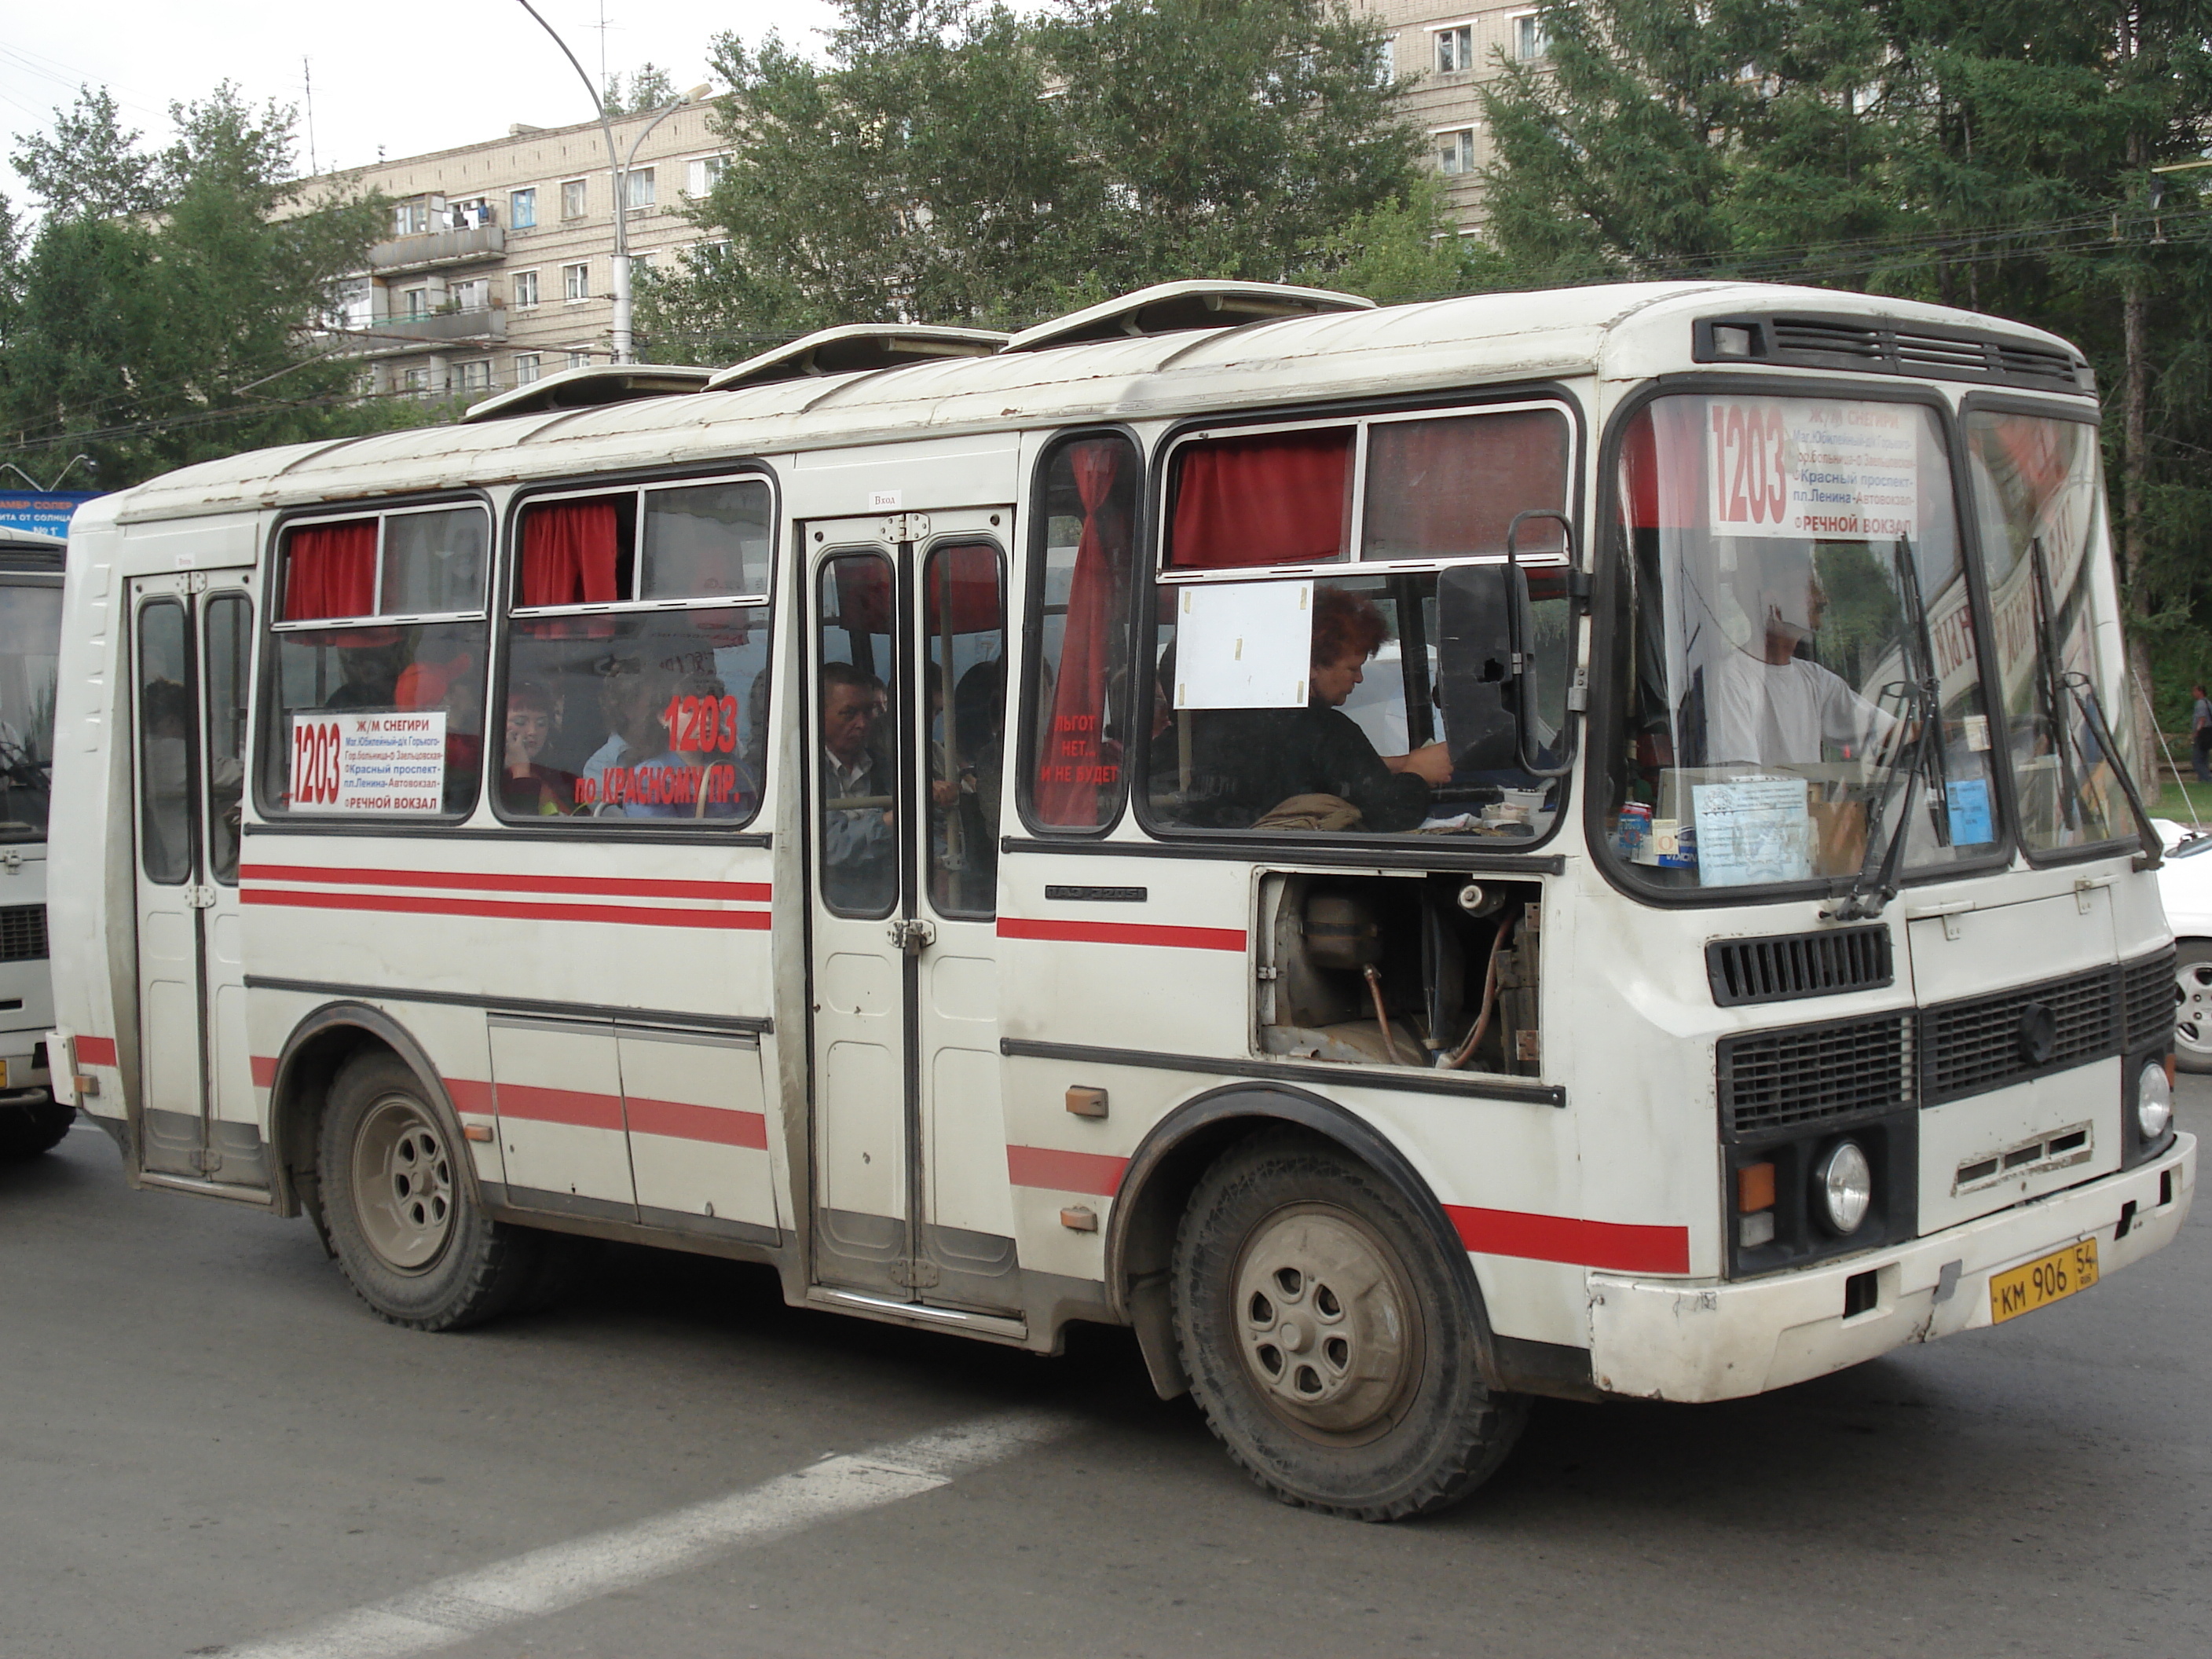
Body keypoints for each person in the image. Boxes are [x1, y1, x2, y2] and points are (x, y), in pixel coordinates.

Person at [1183, 586, 1451, 832]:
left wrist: (1399, 764)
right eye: (1352, 668)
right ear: (1310, 666)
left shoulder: (1219, 724)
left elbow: (1309, 770)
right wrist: (1416, 773)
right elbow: (1390, 815)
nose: (1359, 679)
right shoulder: (1327, 728)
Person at [1701, 547, 1895, 769]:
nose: (1822, 600)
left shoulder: (1816, 680)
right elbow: (1742, 780)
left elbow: (1892, 733)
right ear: (1773, 604)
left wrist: (1936, 729)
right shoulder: (1730, 679)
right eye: (1810, 590)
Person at [622, 669, 757, 819]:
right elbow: (660, 837)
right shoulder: (649, 778)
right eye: (691, 710)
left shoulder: (735, 768)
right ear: (664, 717)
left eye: (711, 710)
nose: (706, 720)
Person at [820, 660, 897, 910]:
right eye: (849, 713)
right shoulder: (802, 772)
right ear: (818, 715)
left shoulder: (883, 765)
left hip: (887, 896)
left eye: (869, 711)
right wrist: (888, 822)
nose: (863, 723)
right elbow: (829, 846)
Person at [499, 679, 577, 816]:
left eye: (541, 723)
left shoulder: (561, 778)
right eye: (520, 722)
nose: (532, 731)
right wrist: (521, 771)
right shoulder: (486, 780)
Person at [2191, 683, 2210, 784]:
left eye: (2195, 691)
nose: (2193, 693)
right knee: (2204, 758)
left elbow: (2202, 719)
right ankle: (2204, 778)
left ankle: (2206, 779)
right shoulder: (2208, 703)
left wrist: (2197, 731)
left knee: (2197, 759)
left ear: (2200, 692)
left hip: (2202, 734)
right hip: (2208, 734)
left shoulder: (2201, 704)